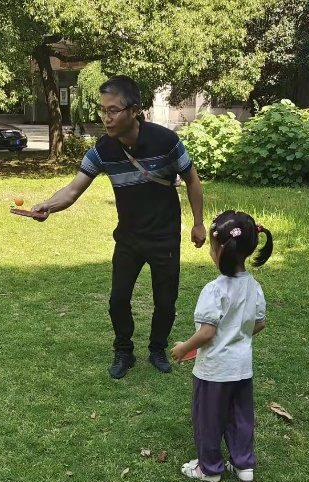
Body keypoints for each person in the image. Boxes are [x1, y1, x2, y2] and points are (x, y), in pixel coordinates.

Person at [32, 75, 206, 379]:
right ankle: (124, 351)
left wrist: (198, 223)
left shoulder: (166, 141)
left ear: (134, 110)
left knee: (165, 301)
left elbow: (192, 179)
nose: (106, 118)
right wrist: (47, 205)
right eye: (103, 110)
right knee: (118, 300)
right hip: (128, 239)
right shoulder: (103, 150)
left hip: (164, 237)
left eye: (113, 110)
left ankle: (157, 349)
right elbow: (73, 190)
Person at [171, 210, 273, 482]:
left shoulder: (214, 290)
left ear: (220, 251)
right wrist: (237, 334)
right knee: (240, 417)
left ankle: (209, 468)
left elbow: (207, 332)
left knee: (208, 419)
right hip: (242, 369)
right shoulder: (254, 287)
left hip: (214, 372)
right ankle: (244, 465)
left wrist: (184, 347)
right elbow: (260, 323)